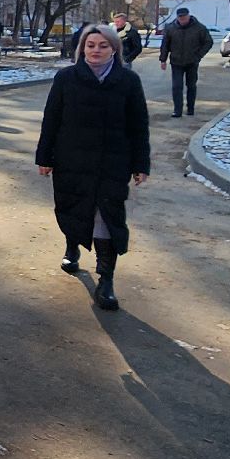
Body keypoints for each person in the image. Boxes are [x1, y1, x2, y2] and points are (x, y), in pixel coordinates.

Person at [36, 22, 151, 311]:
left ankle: (106, 279)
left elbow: (139, 127)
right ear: (82, 48)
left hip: (112, 162)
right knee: (73, 208)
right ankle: (72, 245)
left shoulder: (128, 81)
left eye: (102, 45)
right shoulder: (66, 78)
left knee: (107, 217)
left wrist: (141, 163)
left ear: (114, 49)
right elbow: (51, 119)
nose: (96, 50)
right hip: (71, 160)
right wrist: (44, 157)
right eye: (90, 45)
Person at [159, 6, 214, 118]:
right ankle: (177, 110)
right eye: (180, 18)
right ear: (177, 18)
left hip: (192, 62)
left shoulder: (199, 28)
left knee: (191, 85)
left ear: (188, 16)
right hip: (176, 61)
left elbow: (208, 42)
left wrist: (199, 55)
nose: (182, 20)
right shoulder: (170, 28)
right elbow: (165, 45)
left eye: (184, 17)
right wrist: (163, 60)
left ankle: (190, 108)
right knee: (177, 86)